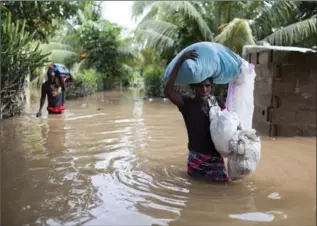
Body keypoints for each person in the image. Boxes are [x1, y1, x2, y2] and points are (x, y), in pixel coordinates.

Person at [164, 49, 228, 182]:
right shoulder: (187, 103)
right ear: (193, 87)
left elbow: (229, 126)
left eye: (207, 86)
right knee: (194, 193)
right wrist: (180, 60)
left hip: (216, 160)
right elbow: (168, 90)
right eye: (199, 86)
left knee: (221, 193)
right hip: (197, 159)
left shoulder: (218, 103)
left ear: (211, 87)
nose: (204, 90)